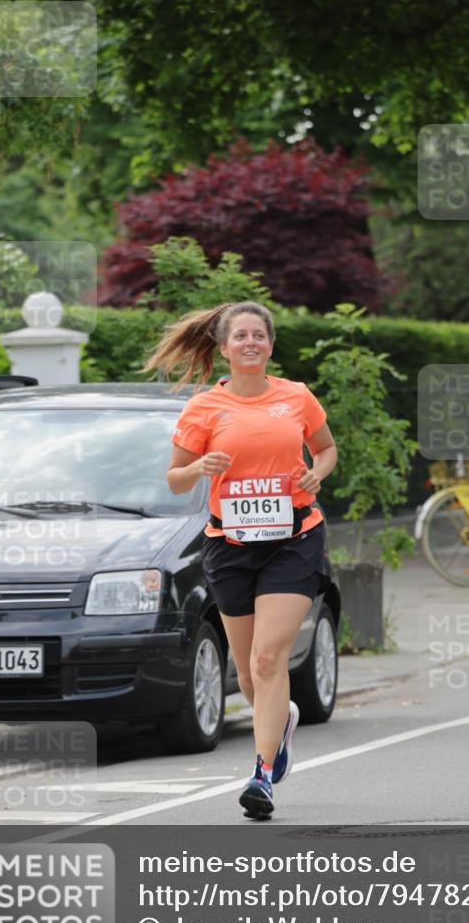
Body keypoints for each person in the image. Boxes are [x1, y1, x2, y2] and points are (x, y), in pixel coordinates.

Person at [143, 301, 337, 818]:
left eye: (259, 335)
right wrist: (200, 465)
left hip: (293, 539)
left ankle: (261, 776)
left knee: (269, 659)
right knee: (249, 673)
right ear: (225, 348)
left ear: (270, 345)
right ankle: (282, 722)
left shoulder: (296, 397)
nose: (250, 342)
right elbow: (175, 476)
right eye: (240, 336)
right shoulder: (205, 407)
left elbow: (325, 450)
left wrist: (316, 473)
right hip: (230, 543)